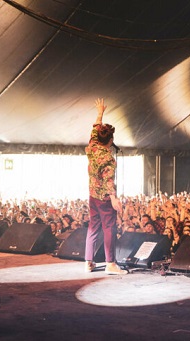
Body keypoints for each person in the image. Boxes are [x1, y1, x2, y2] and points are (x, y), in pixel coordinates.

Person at [84, 98, 126, 275]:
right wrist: (114, 199)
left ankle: (88, 262)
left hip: (92, 195)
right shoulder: (108, 159)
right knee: (109, 228)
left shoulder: (92, 147)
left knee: (93, 227)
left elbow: (95, 129)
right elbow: (109, 180)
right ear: (110, 140)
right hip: (104, 198)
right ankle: (110, 263)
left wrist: (100, 112)